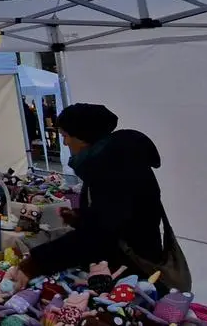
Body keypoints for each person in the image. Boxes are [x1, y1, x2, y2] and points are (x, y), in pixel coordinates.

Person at [13, 103, 166, 286]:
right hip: (121, 265)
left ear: (83, 136)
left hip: (130, 274)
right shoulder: (108, 161)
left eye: (65, 135)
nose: (64, 143)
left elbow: (99, 235)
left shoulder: (116, 168)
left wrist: (37, 262)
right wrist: (81, 217)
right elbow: (110, 217)